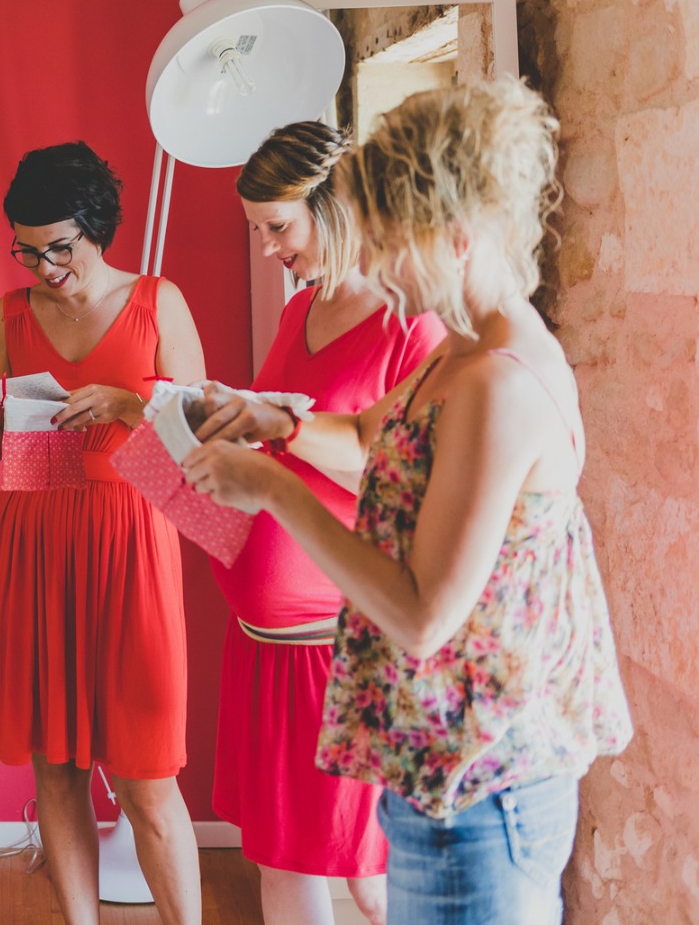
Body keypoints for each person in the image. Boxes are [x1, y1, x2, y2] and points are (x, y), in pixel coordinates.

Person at [183, 80, 633, 924]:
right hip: (429, 759)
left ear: (457, 239)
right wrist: (274, 420)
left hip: (484, 779)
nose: (379, 266)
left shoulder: (500, 383)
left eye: (392, 243)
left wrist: (275, 486)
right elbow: (359, 440)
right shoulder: (459, 357)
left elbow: (425, 617)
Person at [0, 141, 207, 925]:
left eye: (57, 246)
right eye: (27, 249)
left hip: (131, 538)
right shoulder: (10, 313)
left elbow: (207, 436)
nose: (43, 265)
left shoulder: (159, 302)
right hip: (33, 540)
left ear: (96, 226)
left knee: (146, 775)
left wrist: (132, 407)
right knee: (55, 766)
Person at [213, 122, 446, 925]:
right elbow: (286, 435)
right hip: (265, 643)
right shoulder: (301, 310)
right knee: (284, 858)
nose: (269, 246)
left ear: (336, 204)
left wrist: (272, 424)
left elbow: (399, 464)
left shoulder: (409, 321)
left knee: (372, 874)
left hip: (338, 644)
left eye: (278, 226)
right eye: (257, 230)